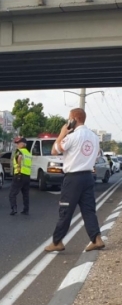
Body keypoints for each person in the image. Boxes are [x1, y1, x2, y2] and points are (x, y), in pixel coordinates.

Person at [45, 108, 105, 252]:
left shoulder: (72, 136)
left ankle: (57, 241)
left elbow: (55, 150)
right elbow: (96, 156)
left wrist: (62, 134)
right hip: (88, 177)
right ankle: (97, 239)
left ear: (74, 120)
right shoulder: (94, 137)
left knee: (65, 210)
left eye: (69, 119)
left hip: (73, 179)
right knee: (89, 210)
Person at [8, 137, 32, 216]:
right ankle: (26, 210)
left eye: (18, 143)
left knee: (12, 193)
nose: (17, 145)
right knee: (25, 194)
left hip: (19, 175)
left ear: (23, 144)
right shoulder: (28, 153)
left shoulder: (19, 151)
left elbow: (19, 158)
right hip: (27, 176)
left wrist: (18, 170)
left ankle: (14, 209)